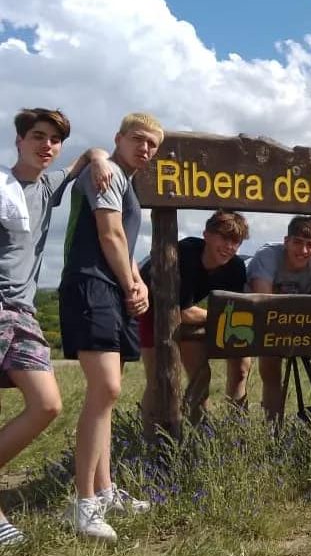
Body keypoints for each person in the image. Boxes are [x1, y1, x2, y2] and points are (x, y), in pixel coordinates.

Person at [0, 108, 111, 545]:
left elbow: (87, 156)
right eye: (37, 136)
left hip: (23, 312)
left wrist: (99, 158)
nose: (46, 145)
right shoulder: (2, 187)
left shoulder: (49, 184)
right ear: (19, 142)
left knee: (47, 405)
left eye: (54, 140)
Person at [60, 112, 164, 541]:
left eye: (153, 145)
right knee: (107, 390)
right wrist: (134, 281)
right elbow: (110, 235)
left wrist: (132, 285)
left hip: (113, 290)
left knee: (108, 393)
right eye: (138, 139)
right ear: (119, 138)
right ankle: (83, 504)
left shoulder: (120, 175)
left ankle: (105, 491)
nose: (145, 148)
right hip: (93, 285)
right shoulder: (108, 176)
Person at [139, 210, 250, 424]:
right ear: (206, 234)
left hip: (184, 310)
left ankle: (200, 430)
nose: (230, 246)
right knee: (157, 380)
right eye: (224, 238)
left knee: (202, 374)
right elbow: (182, 312)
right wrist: (219, 316)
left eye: (236, 241)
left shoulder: (235, 267)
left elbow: (235, 310)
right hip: (150, 306)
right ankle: (149, 439)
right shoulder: (184, 255)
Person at [247, 215, 311, 421]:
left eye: (310, 245)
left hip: (293, 313)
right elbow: (263, 301)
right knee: (268, 369)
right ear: (286, 241)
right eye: (297, 243)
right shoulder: (267, 256)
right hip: (254, 313)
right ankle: (270, 429)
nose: (303, 251)